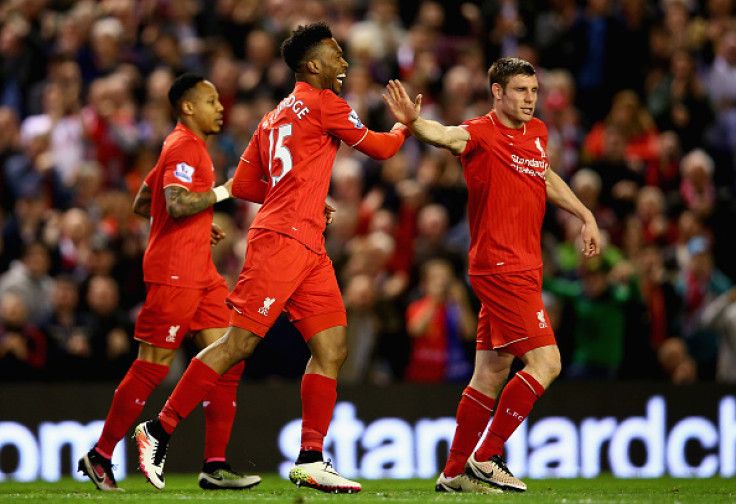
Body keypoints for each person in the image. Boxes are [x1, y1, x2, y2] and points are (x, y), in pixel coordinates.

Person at [134, 22, 409, 494]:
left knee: (332, 347)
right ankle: (157, 430)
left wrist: (294, 194)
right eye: (337, 54)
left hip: (306, 243)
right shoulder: (326, 104)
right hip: (281, 242)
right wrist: (405, 123)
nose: (344, 63)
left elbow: (242, 186)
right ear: (314, 65)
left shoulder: (272, 116)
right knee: (239, 345)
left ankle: (311, 457)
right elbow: (381, 148)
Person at [384, 57, 602, 493]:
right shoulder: (480, 133)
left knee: (490, 372)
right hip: (501, 267)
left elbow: (543, 174)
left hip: (525, 266)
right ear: (497, 92)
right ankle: (487, 456)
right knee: (547, 362)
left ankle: (453, 473)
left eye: (534, 91)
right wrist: (414, 123)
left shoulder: (537, 134)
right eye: (521, 90)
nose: (529, 99)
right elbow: (446, 136)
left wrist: (583, 213)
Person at [77, 73, 260, 492]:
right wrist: (221, 194)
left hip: (201, 271)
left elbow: (147, 202)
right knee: (153, 366)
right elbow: (175, 204)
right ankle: (101, 455)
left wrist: (199, 224)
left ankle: (214, 466)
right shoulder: (183, 146)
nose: (221, 108)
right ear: (188, 108)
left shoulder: (185, 147)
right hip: (174, 272)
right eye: (212, 101)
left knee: (228, 357)